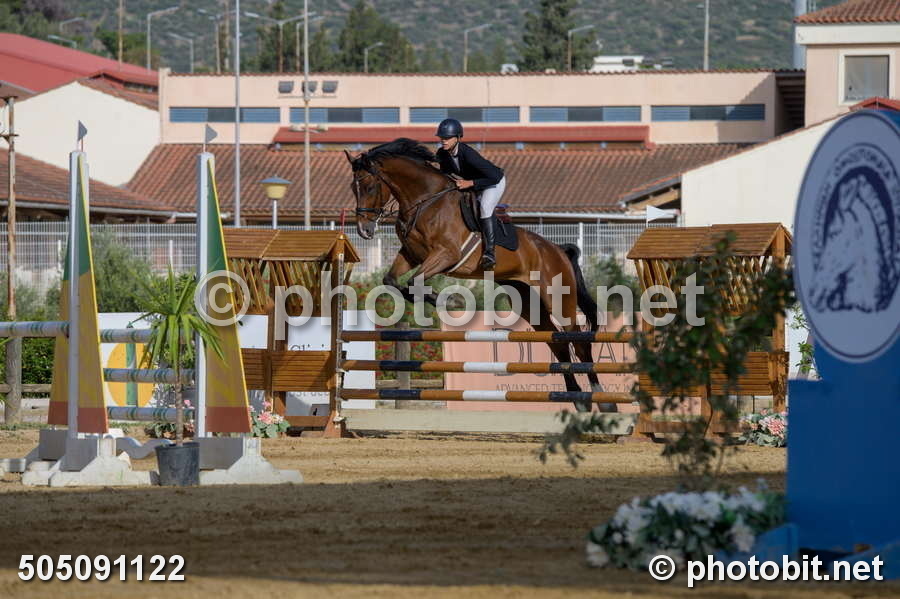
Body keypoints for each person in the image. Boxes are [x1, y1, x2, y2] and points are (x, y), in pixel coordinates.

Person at [434, 118, 506, 270]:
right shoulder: (442, 153)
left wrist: (470, 183)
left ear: (457, 138)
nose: (443, 141)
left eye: (447, 138)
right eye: (441, 138)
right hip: (474, 183)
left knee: (485, 208)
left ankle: (489, 254)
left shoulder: (468, 153)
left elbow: (495, 176)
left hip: (493, 182)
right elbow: (444, 174)